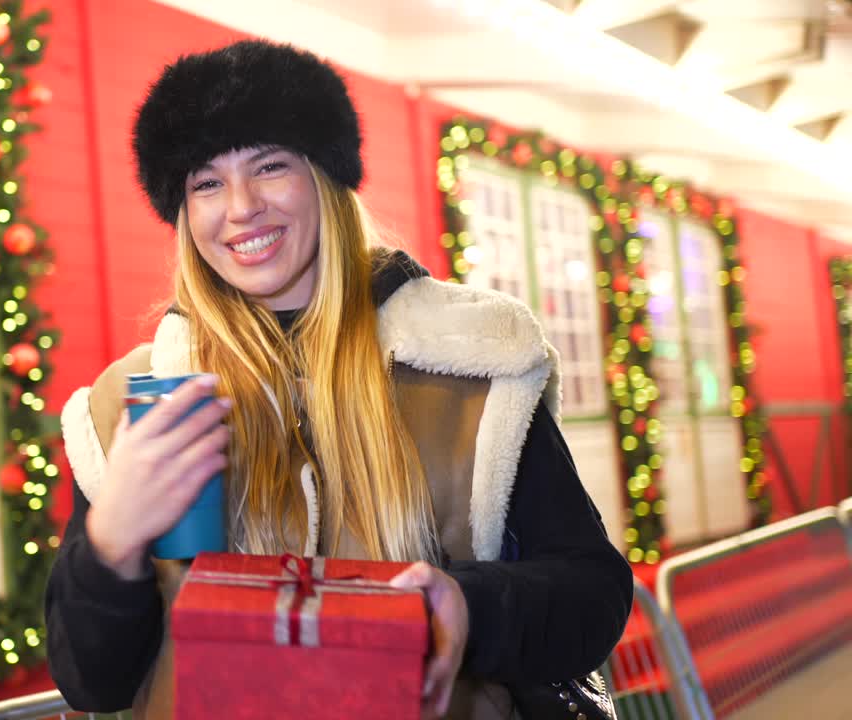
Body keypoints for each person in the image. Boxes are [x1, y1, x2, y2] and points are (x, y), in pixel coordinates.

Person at [44, 39, 632, 720]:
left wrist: (469, 608)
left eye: (269, 167)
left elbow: (593, 592)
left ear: (324, 178)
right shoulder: (136, 401)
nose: (240, 208)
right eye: (206, 182)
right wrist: (112, 543)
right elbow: (93, 683)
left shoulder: (471, 365)